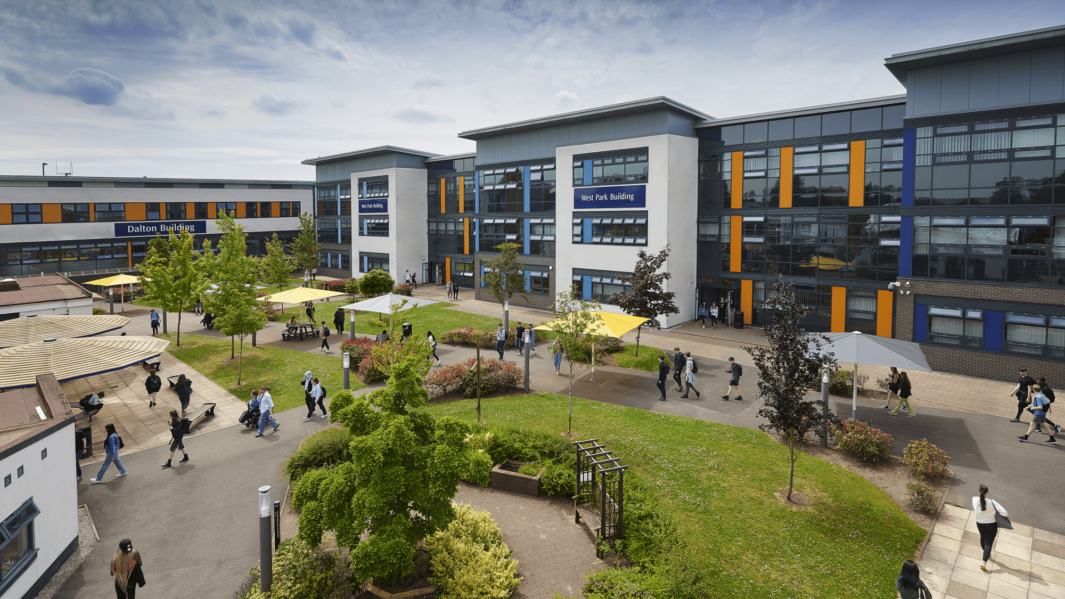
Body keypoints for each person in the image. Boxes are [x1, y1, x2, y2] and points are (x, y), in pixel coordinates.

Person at [974, 484, 1008, 570]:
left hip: (979, 523)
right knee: (988, 543)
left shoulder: (974, 499)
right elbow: (1005, 513)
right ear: (987, 492)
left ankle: (985, 551)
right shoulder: (992, 502)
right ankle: (983, 562)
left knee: (982, 537)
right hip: (991, 525)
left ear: (979, 491)